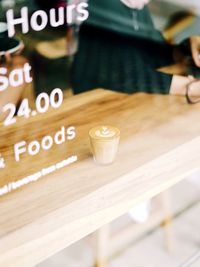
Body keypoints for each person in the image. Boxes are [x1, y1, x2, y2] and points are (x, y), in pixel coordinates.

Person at [71, 0, 200, 98]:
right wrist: (189, 87)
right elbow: (122, 73)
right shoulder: (100, 5)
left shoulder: (136, 6)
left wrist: (185, 49)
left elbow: (151, 52)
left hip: (123, 101)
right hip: (93, 106)